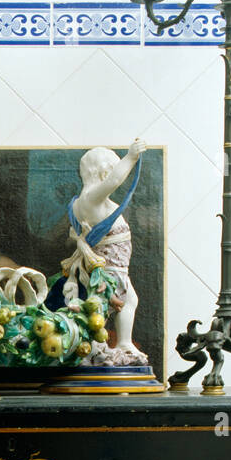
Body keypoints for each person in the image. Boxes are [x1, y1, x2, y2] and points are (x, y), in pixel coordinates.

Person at [60, 140, 147, 363]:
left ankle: (118, 344)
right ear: (103, 171)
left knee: (124, 301)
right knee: (111, 303)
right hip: (108, 265)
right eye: (111, 168)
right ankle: (97, 347)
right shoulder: (90, 198)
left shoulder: (87, 200)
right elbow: (115, 181)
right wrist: (131, 157)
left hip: (113, 265)